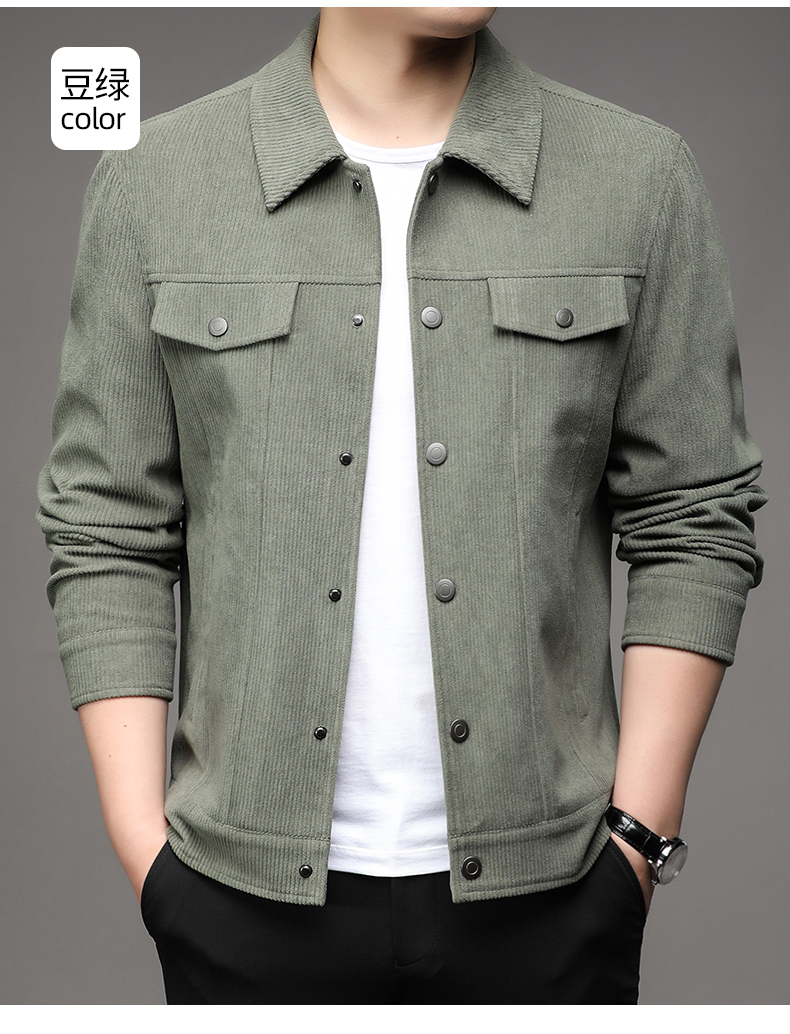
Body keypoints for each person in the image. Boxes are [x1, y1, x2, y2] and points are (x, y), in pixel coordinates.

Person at [37, 7, 766, 1004]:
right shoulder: (155, 179)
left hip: (554, 902)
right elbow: (107, 527)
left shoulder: (637, 177)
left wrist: (635, 845)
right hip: (237, 901)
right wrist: (148, 856)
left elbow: (694, 514)